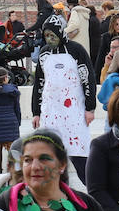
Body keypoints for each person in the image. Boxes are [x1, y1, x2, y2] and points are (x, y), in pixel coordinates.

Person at [31, 18, 95, 179]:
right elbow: (38, 83)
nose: (49, 39)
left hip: (74, 112)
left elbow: (88, 78)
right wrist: (36, 112)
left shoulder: (76, 50)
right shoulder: (44, 53)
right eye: (46, 36)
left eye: (53, 35)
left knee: (80, 156)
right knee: (51, 157)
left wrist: (89, 108)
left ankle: (94, 192)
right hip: (50, 112)